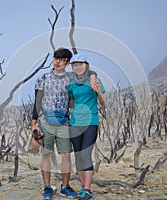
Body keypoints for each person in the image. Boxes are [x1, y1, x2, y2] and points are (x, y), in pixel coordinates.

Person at [31, 48, 97, 199]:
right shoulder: (43, 78)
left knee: (66, 155)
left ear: (67, 62)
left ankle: (65, 187)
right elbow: (37, 102)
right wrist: (33, 124)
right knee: (46, 155)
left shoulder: (71, 78)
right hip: (45, 122)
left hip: (64, 123)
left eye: (60, 59)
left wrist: (93, 77)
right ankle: (47, 187)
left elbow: (87, 73)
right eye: (55, 58)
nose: (56, 61)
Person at [68, 54, 105, 200]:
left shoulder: (95, 80)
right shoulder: (71, 83)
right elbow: (71, 103)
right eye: (75, 65)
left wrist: (98, 91)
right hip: (74, 123)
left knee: (85, 155)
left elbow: (103, 102)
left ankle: (88, 189)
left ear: (86, 65)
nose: (78, 67)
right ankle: (83, 188)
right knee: (78, 156)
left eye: (81, 64)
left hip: (91, 122)